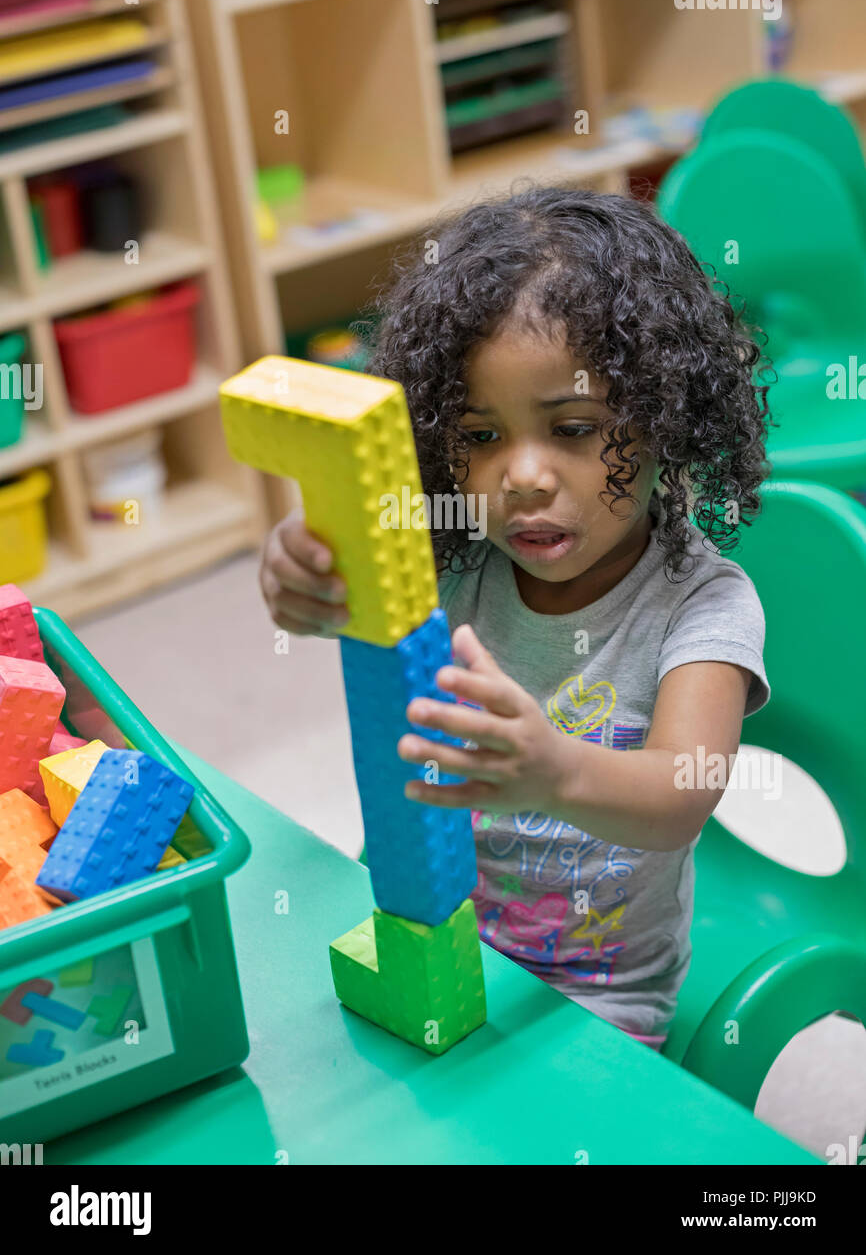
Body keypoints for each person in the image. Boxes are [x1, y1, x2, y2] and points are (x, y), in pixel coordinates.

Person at [259, 183, 775, 1051]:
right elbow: (344, 566)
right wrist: (298, 568)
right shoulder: (456, 547)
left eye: (572, 428)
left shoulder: (702, 602)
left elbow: (681, 795)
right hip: (426, 931)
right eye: (480, 436)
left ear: (664, 421)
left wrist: (554, 772)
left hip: (594, 992)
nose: (522, 477)